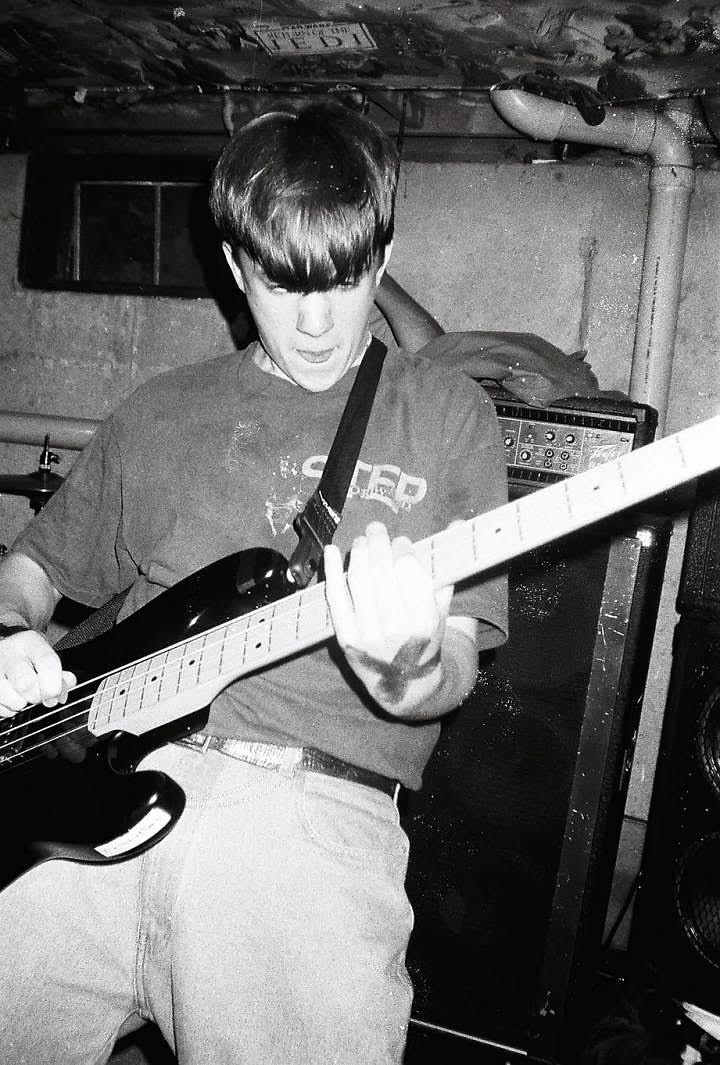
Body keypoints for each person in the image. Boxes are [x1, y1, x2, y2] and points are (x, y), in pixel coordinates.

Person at [0, 100, 589, 1065]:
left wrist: (399, 664)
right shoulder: (157, 412)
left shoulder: (448, 416)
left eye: (347, 277)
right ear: (235, 266)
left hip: (308, 828)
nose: (317, 321)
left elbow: (447, 666)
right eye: (280, 283)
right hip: (73, 804)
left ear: (384, 248)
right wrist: (8, 633)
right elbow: (32, 569)